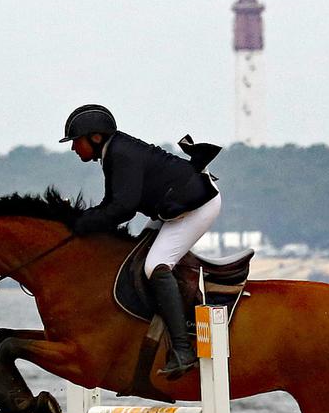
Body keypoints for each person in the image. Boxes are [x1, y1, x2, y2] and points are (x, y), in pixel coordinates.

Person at [60, 103, 221, 379]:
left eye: (76, 141)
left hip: (197, 207)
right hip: (173, 207)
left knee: (155, 266)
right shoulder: (114, 151)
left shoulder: (120, 154)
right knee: (136, 257)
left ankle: (183, 350)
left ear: (95, 137)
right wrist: (82, 220)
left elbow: (123, 209)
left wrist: (81, 224)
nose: (74, 148)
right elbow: (112, 204)